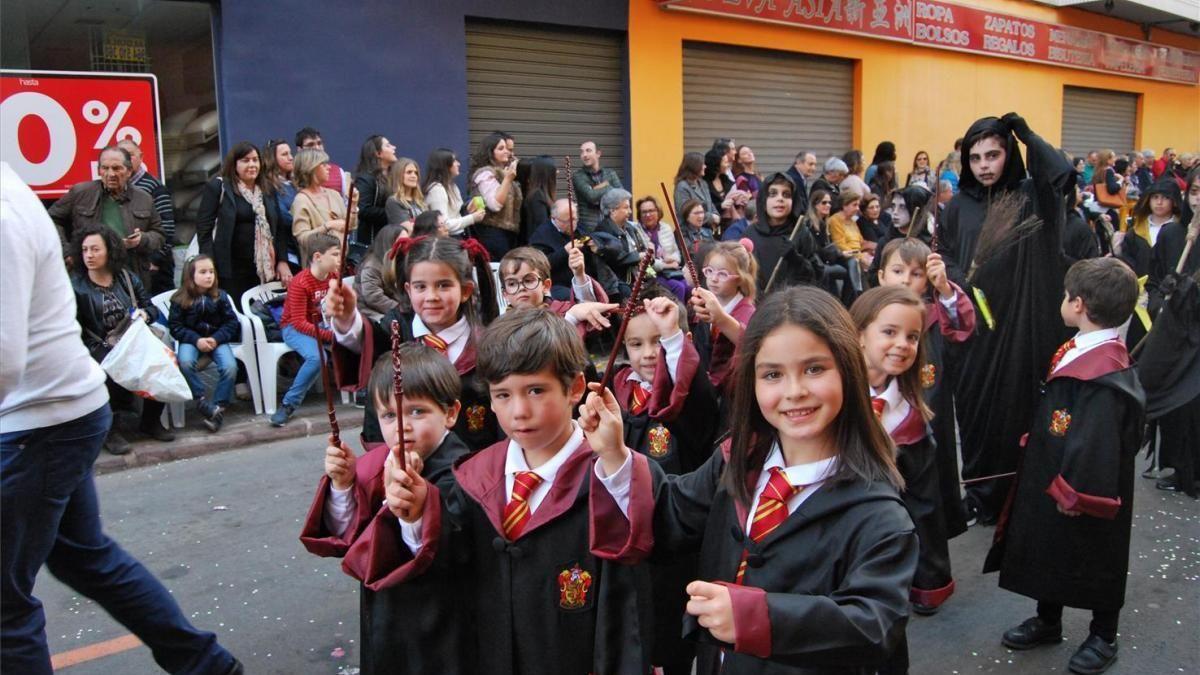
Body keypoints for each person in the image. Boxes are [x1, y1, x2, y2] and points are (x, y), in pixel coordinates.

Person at [587, 286, 918, 674]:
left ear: (848, 368)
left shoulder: (879, 513)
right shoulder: (738, 460)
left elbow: (874, 624)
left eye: (814, 368)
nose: (795, 392)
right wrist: (615, 453)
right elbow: (671, 513)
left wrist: (754, 617)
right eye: (773, 374)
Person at [1, 162, 243, 675]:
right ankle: (204, 664)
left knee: (5, 605)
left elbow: (4, 358)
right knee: (83, 556)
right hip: (52, 416)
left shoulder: (3, 209)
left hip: (38, 422)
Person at [342, 308, 658, 674]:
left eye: (536, 390)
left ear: (574, 388)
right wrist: (416, 518)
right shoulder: (475, 478)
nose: (519, 411)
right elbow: (445, 573)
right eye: (503, 394)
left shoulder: (609, 480)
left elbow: (626, 612)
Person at [985, 258, 1144, 675]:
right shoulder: (1080, 346)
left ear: (1078, 304)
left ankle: (1103, 634)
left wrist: (1078, 491)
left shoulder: (1105, 373)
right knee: (1050, 546)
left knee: (1095, 554)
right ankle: (1048, 618)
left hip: (1082, 481)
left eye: (1064, 296)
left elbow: (1097, 440)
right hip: (1053, 465)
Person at [300, 344, 472, 674]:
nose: (401, 426)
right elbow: (349, 536)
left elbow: (453, 551)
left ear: (450, 413)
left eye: (417, 412)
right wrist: (344, 485)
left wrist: (416, 514)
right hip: (385, 617)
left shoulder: (462, 470)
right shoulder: (377, 464)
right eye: (390, 415)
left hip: (436, 624)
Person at [940, 112, 1076, 525]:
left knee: (1016, 413)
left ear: (1009, 155)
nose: (983, 165)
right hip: (974, 330)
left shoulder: (1032, 195)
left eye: (993, 154)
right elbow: (943, 251)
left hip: (1021, 328)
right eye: (976, 157)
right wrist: (956, 278)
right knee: (975, 415)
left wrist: (1028, 135)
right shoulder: (958, 205)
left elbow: (1063, 175)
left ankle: (1016, 496)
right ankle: (981, 495)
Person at [610, 285, 719, 675]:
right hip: (626, 531)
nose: (647, 353)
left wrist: (672, 335)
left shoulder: (684, 394)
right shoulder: (616, 391)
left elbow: (701, 409)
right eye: (636, 344)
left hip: (676, 535)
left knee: (673, 626)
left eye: (657, 341)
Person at [853, 284, 965, 620]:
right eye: (889, 332)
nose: (903, 344)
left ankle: (924, 583)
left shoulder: (908, 414)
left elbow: (924, 509)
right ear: (859, 334)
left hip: (904, 468)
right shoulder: (832, 395)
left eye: (913, 337)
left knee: (922, 512)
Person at [327, 236, 502, 449]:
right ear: (409, 290)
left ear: (465, 290)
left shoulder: (486, 342)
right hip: (404, 462)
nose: (431, 296)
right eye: (421, 287)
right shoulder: (395, 330)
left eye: (443, 285)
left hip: (473, 462)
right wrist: (347, 319)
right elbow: (367, 346)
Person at [876, 237, 975, 548]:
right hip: (880, 420)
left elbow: (962, 328)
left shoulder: (933, 315)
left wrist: (945, 289)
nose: (905, 279)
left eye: (916, 273)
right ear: (881, 276)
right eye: (897, 270)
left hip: (926, 420)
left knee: (924, 499)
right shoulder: (867, 315)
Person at [69, 225, 173, 450]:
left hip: (133, 341)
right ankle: (111, 431)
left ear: (109, 251)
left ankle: (150, 421)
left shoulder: (126, 277)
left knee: (160, 363)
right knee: (108, 369)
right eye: (85, 250)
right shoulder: (76, 286)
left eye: (95, 249)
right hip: (98, 346)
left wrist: (146, 314)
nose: (89, 255)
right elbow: (72, 327)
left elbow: (151, 308)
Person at [48, 145, 165, 291]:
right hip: (87, 277)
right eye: (105, 168)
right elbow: (51, 219)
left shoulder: (144, 198)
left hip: (130, 276)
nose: (110, 174)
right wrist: (68, 252)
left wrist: (142, 239)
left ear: (129, 171)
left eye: (117, 168)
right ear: (99, 171)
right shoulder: (81, 193)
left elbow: (159, 234)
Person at [197, 141, 290, 305]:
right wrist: (209, 267)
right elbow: (204, 230)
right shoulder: (219, 187)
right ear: (234, 164)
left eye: (255, 160)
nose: (252, 165)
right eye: (246, 160)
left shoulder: (267, 188)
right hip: (230, 270)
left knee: (265, 317)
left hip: (263, 269)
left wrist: (282, 261)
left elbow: (279, 228)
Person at [272, 233, 341, 426]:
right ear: (318, 257)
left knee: (360, 340)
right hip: (294, 328)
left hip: (322, 324)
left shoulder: (334, 277)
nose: (339, 259)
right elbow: (298, 322)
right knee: (318, 357)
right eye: (335, 254)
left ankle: (362, 391)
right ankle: (288, 404)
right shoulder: (300, 283)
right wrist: (329, 336)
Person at [168, 255, 240, 433]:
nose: (209, 276)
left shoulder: (220, 296)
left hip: (217, 339)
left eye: (211, 272)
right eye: (203, 272)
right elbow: (175, 327)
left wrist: (216, 338)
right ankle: (200, 400)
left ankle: (218, 408)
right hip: (191, 340)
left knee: (230, 367)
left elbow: (232, 323)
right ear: (190, 276)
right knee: (184, 363)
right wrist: (196, 340)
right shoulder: (179, 299)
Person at [497, 247, 614, 338]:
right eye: (512, 284)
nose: (521, 288)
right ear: (505, 294)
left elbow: (587, 310)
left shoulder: (560, 310)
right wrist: (571, 318)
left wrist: (579, 275)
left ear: (546, 285)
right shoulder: (501, 329)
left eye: (528, 281)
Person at [689, 241, 758, 392]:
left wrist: (721, 318)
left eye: (723, 274)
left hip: (731, 389)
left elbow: (751, 345)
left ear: (740, 278)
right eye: (710, 271)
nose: (713, 279)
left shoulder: (746, 311)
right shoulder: (703, 303)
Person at [118, 139, 176, 294]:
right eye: (122, 156)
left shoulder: (154, 187)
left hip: (154, 266)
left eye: (130, 155)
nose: (127, 160)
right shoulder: (114, 189)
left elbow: (167, 228)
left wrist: (156, 260)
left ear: (141, 157)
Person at [745, 173, 815, 294]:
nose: (780, 199)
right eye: (773, 194)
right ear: (763, 200)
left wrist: (796, 259)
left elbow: (817, 275)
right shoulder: (750, 234)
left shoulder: (801, 233)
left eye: (786, 194)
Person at [468, 131, 523, 259]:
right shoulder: (485, 173)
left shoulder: (506, 172)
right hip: (492, 233)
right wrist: (508, 179)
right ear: (490, 151)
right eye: (501, 148)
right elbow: (495, 205)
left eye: (507, 148)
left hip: (509, 233)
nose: (507, 152)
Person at [291, 147, 351, 255]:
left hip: (341, 265)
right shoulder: (301, 200)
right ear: (311, 168)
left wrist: (354, 204)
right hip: (318, 268)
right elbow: (303, 239)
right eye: (323, 164)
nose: (328, 167)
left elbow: (350, 226)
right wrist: (328, 226)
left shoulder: (334, 194)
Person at [423, 148, 486, 237]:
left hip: (459, 236)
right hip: (448, 240)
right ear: (444, 165)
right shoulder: (437, 189)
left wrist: (468, 208)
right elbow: (444, 224)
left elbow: (455, 214)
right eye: (454, 161)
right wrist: (472, 218)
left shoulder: (452, 186)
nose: (458, 164)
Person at [354, 223, 409, 322]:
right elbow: (373, 297)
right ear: (389, 242)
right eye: (401, 241)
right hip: (370, 311)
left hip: (393, 307)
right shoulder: (371, 266)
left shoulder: (399, 261)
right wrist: (400, 309)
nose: (405, 245)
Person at [262, 138, 299, 275]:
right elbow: (283, 217)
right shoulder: (268, 186)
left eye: (290, 153)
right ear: (272, 158)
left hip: (300, 248)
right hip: (287, 252)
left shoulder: (295, 184)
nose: (290, 158)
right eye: (284, 154)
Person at [354, 134, 397, 245]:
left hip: (393, 238)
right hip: (374, 242)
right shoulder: (366, 178)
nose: (394, 148)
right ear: (378, 153)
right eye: (388, 146)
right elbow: (363, 210)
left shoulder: (395, 177)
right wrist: (395, 213)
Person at [571, 141, 623, 231]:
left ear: (598, 153)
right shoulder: (578, 176)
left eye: (588, 151)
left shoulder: (610, 173)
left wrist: (597, 190)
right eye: (582, 152)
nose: (584, 155)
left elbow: (621, 195)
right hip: (589, 228)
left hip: (611, 226)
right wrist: (608, 187)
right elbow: (591, 196)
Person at [295, 127, 350, 198]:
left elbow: (346, 203)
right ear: (300, 150)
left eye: (319, 143)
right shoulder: (293, 174)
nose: (317, 148)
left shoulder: (338, 172)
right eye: (310, 145)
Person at [829, 187, 873, 270]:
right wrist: (860, 255)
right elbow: (840, 245)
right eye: (854, 205)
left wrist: (873, 247)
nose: (857, 209)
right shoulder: (835, 220)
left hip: (859, 254)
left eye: (858, 205)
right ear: (844, 205)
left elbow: (861, 242)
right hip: (847, 257)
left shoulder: (852, 221)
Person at [674, 151, 719, 229]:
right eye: (703, 164)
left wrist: (717, 216)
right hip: (690, 234)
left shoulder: (703, 183)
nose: (705, 166)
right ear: (694, 166)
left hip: (707, 232)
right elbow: (686, 213)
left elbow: (710, 205)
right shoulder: (682, 187)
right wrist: (712, 218)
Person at [520, 156, 557, 244]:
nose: (557, 172)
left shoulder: (538, 194)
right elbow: (542, 226)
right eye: (554, 170)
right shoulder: (537, 196)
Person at [383, 156, 424, 225]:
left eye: (416, 173)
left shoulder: (420, 201)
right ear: (398, 175)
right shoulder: (393, 201)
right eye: (409, 172)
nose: (414, 176)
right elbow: (407, 228)